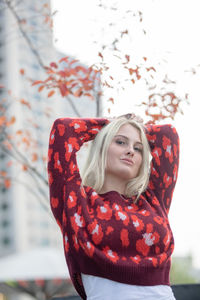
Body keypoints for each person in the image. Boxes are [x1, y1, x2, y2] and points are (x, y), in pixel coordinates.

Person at [48, 113, 179, 300]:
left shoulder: (153, 200)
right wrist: (110, 125)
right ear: (102, 146)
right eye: (120, 142)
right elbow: (64, 129)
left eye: (138, 148)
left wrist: (133, 126)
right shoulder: (76, 202)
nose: (131, 151)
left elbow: (168, 134)